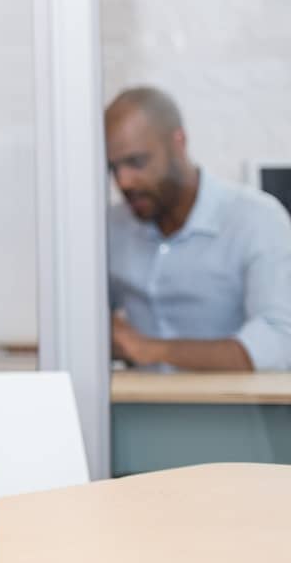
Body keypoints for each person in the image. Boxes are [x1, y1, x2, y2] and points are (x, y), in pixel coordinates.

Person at [105, 86, 291, 372]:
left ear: (178, 142)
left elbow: (280, 344)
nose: (124, 182)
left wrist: (150, 349)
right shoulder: (112, 227)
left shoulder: (257, 220)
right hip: (137, 410)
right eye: (113, 168)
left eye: (136, 162)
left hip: (231, 412)